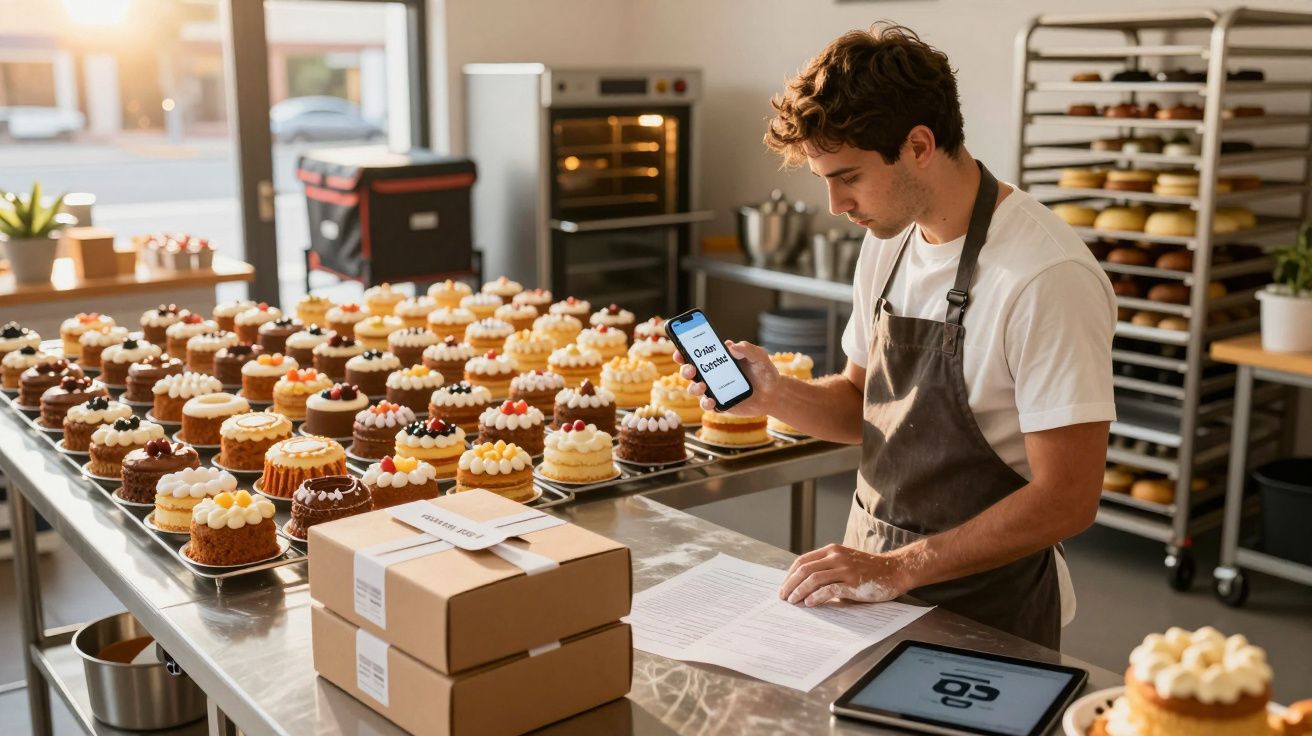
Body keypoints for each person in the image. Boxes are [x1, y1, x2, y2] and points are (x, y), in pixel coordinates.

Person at [675, 23, 1115, 648]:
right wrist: (775, 394)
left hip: (985, 607)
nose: (834, 204)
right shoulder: (890, 242)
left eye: (848, 176)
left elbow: (1068, 499)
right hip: (868, 588)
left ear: (918, 145)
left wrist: (896, 569)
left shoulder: (1046, 276)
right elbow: (865, 407)